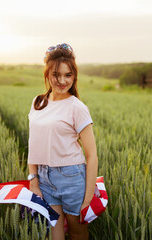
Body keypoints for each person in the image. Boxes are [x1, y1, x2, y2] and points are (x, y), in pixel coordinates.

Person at [27, 43, 98, 240]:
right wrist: (33, 180)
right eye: (56, 74)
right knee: (54, 235)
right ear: (47, 74)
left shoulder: (77, 107)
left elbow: (92, 155)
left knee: (77, 232)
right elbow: (33, 144)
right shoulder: (38, 102)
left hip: (72, 178)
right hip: (45, 179)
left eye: (68, 75)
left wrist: (88, 197)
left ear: (74, 76)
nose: (62, 81)